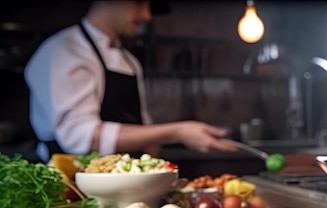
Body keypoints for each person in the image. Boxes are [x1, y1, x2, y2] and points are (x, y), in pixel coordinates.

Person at [24, 0, 239, 163]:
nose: (147, 15)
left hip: (129, 183)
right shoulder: (63, 50)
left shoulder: (129, 62)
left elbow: (143, 130)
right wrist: (178, 132)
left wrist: (156, 168)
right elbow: (80, 137)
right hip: (72, 186)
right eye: (139, 3)